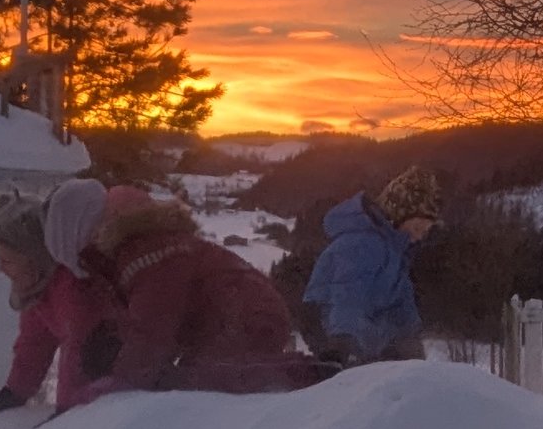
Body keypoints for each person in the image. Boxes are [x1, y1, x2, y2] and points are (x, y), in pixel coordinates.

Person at [83, 187, 331, 395]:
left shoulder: (149, 255)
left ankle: (313, 374)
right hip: (245, 308)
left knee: (211, 377)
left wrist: (124, 381)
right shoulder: (161, 244)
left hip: (243, 312)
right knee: (199, 375)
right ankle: (312, 372)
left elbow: (152, 327)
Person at [0, 185, 123, 418]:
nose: (0, 269)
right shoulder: (39, 289)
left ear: (35, 259)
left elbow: (78, 348)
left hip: (117, 390)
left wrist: (67, 410)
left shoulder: (72, 288)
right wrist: (15, 392)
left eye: (7, 260)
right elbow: (34, 343)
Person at [302, 168, 441, 366]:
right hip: (329, 324)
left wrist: (411, 343)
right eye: (418, 227)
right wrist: (343, 342)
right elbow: (348, 292)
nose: (419, 236)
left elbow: (401, 303)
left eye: (425, 231)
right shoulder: (363, 243)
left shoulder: (395, 251)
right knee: (354, 382)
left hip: (363, 330)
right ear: (398, 215)